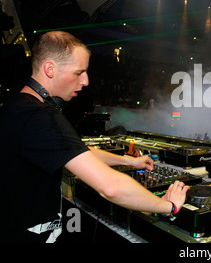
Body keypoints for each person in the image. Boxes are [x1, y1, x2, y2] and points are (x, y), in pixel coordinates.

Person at [0, 31, 190, 243]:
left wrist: (128, 160)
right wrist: (168, 206)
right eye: (78, 72)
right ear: (50, 69)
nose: (86, 81)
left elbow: (77, 151)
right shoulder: (40, 117)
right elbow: (111, 188)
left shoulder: (19, 106)